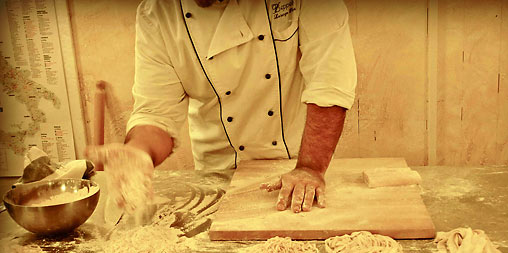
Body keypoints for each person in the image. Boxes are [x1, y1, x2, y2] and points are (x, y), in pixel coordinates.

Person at [86, 0, 356, 223]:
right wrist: (139, 151)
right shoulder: (158, 13)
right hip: (217, 175)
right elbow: (156, 113)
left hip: (296, 163)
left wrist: (310, 168)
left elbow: (329, 84)